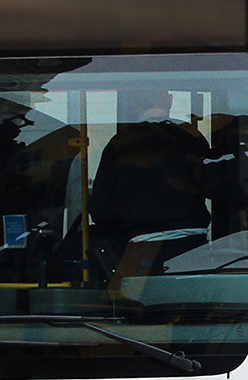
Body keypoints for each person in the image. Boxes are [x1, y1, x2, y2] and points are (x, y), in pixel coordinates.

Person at [88, 89, 213, 273]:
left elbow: (101, 210)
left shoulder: (120, 143)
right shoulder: (192, 138)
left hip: (141, 252)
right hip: (193, 247)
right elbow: (212, 184)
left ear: (134, 104)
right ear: (169, 101)